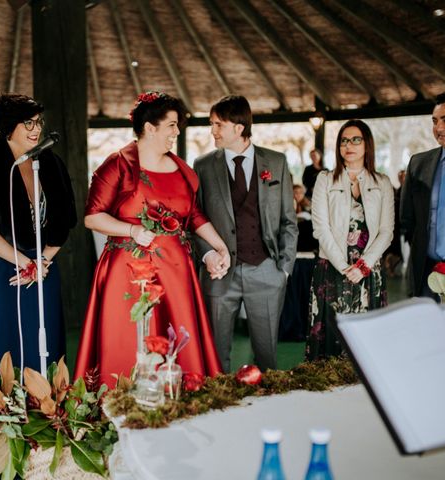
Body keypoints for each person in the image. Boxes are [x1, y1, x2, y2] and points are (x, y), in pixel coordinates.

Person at [74, 91, 226, 388]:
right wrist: (131, 231)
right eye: (171, 125)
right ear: (150, 127)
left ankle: (179, 399)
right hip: (128, 271)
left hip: (176, 272)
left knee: (178, 337)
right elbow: (92, 217)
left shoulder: (181, 169)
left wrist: (220, 246)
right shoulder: (118, 164)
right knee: (128, 339)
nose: (176, 132)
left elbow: (194, 215)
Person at [0, 93, 76, 398]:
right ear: (9, 126)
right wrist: (23, 262)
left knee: (42, 342)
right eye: (28, 123)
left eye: (39, 122)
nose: (36, 129)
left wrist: (42, 261)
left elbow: (65, 219)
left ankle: (45, 417)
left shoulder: (50, 161)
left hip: (42, 268)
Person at [193, 95, 298, 372]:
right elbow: (195, 219)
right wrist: (207, 258)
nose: (212, 131)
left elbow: (289, 219)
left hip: (266, 270)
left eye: (217, 124)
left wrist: (283, 268)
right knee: (215, 357)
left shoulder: (276, 162)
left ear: (238, 128)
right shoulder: (203, 166)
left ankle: (267, 411)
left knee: (267, 358)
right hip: (218, 273)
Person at [306, 119, 394, 359]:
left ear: (367, 145)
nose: (349, 145)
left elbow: (386, 231)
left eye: (356, 139)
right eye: (344, 140)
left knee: (366, 343)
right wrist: (345, 267)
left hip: (368, 270)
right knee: (331, 342)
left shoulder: (382, 182)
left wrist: (363, 266)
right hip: (332, 268)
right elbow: (320, 229)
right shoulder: (325, 179)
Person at [401, 91, 445, 300]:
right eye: (435, 121)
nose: (439, 128)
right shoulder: (418, 164)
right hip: (425, 276)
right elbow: (407, 219)